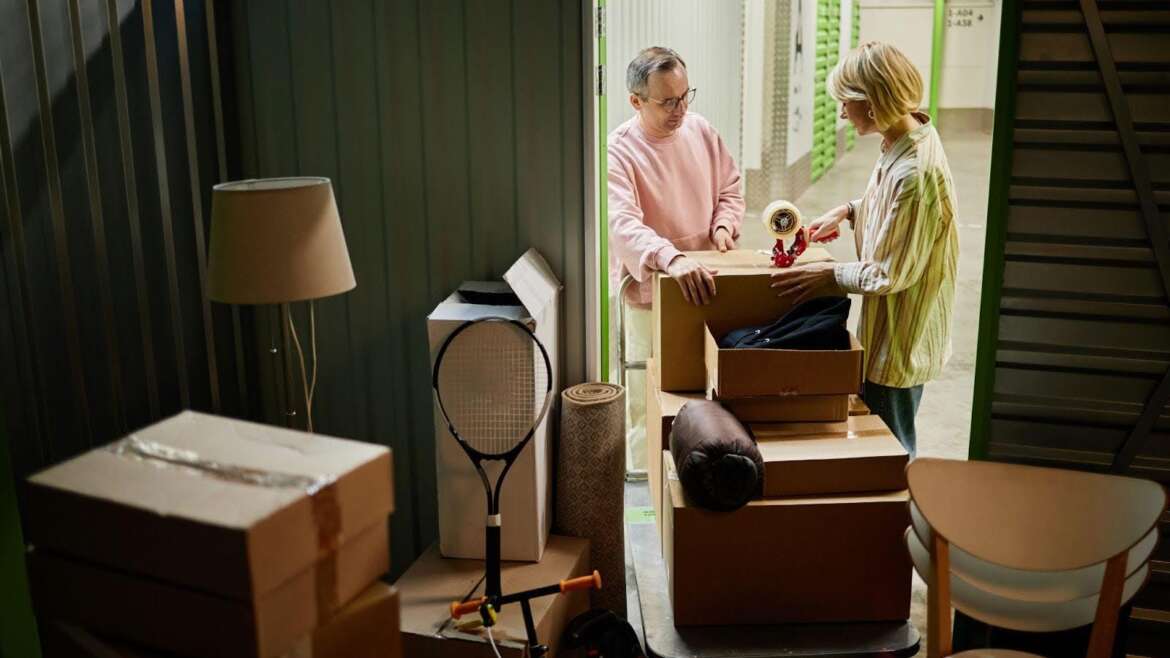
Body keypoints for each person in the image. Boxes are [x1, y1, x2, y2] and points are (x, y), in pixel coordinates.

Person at [769, 42, 958, 457]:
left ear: (872, 104)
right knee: (880, 433)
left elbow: (890, 273)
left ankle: (893, 517)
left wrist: (828, 275)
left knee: (890, 444)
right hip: (887, 325)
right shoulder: (903, 138)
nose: (840, 113)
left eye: (845, 102)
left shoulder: (915, 171)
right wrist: (849, 210)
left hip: (901, 333)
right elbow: (890, 208)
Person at [608, 46, 745, 469]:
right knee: (648, 400)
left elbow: (730, 190)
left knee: (704, 393)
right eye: (667, 101)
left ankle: (697, 478)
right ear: (636, 101)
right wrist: (672, 258)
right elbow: (623, 223)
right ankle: (647, 483)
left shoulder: (701, 131)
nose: (680, 108)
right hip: (652, 296)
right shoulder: (619, 150)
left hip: (705, 287)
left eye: (686, 96)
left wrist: (724, 226)